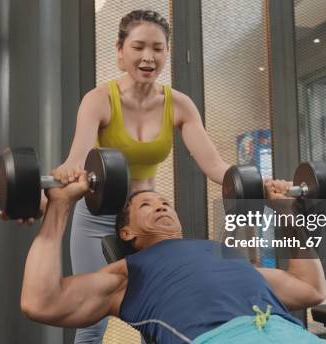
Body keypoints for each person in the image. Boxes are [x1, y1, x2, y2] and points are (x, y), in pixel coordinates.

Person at [51, 9, 230, 342]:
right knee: (93, 318)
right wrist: (66, 171)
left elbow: (215, 166)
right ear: (120, 52)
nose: (149, 57)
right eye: (138, 47)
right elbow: (77, 160)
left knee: (162, 307)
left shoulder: (179, 105)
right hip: (98, 218)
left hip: (146, 218)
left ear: (166, 53)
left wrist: (259, 180)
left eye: (158, 48)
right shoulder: (98, 100)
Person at [20, 172, 326, 344]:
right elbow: (41, 301)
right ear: (126, 233)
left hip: (290, 334)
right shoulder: (128, 275)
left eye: (165, 202)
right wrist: (59, 207)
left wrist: (286, 213)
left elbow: (310, 288)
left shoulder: (223, 255)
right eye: (145, 205)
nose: (161, 206)